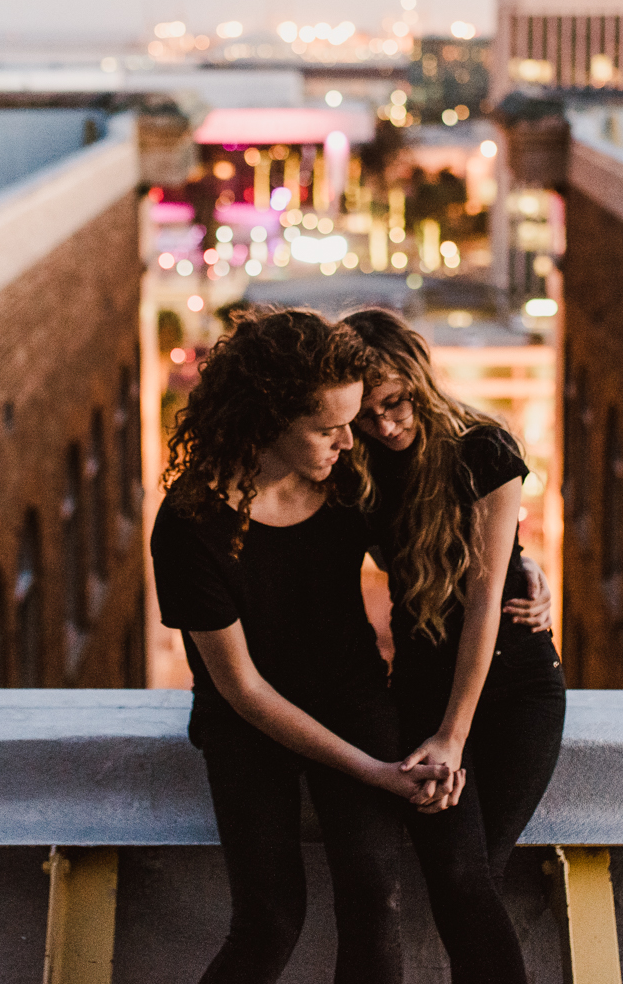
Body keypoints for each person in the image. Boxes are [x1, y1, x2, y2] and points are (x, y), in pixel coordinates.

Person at [150, 306, 447, 984]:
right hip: (248, 729)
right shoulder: (190, 524)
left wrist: (524, 568)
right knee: (271, 919)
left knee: (375, 899)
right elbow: (244, 691)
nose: (351, 438)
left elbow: (430, 543)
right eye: (329, 426)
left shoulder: (345, 477)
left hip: (354, 696)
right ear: (268, 419)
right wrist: (372, 771)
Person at [345, 307, 570, 984]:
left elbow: (484, 606)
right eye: (365, 415)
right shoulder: (357, 472)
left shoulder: (485, 449)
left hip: (515, 685)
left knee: (474, 872)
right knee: (458, 873)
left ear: (417, 374)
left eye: (393, 402)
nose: (384, 425)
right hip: (420, 687)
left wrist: (453, 733)